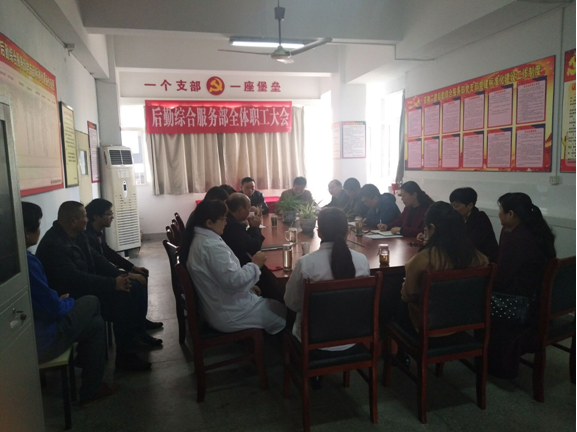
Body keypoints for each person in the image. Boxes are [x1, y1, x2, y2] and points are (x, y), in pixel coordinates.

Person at [36, 201, 152, 371]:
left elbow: (98, 260)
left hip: (84, 287)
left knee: (125, 288)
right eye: (84, 217)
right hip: (69, 296)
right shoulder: (54, 245)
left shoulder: (77, 235)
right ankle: (125, 356)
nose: (87, 220)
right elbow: (74, 279)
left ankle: (133, 338)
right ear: (73, 221)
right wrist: (112, 283)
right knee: (121, 297)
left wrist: (120, 277)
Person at [22, 202, 118, 405]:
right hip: (45, 337)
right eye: (37, 224)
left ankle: (91, 387)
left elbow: (96, 260)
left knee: (95, 325)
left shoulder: (75, 236)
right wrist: (68, 301)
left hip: (39, 327)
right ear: (26, 232)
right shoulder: (31, 261)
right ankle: (92, 382)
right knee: (92, 301)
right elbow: (55, 307)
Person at [180, 200, 286, 334]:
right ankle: (285, 343)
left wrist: (247, 287)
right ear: (209, 223)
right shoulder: (211, 246)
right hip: (230, 313)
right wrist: (255, 265)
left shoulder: (200, 238)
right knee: (284, 314)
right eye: (223, 219)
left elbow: (224, 277)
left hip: (221, 304)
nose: (226, 222)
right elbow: (235, 281)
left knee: (276, 305)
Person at [488, 193, 556, 379]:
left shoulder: (517, 239)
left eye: (500, 210)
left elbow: (502, 279)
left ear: (511, 214)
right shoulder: (539, 231)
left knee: (474, 293)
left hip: (520, 305)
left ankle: (484, 356)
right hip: (539, 300)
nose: (499, 214)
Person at [284, 207, 370, 351]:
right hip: (353, 336)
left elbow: (291, 302)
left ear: (319, 233)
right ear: (348, 232)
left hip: (313, 341)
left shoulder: (306, 263)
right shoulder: (361, 261)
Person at [400, 202, 489, 331]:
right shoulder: (478, 257)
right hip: (465, 322)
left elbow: (408, 295)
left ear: (432, 228)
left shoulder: (424, 258)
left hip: (427, 326)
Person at [85, 198, 163, 331]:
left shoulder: (97, 232)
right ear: (96, 216)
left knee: (142, 273)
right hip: (99, 278)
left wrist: (132, 267)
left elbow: (109, 253)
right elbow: (101, 265)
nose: (112, 217)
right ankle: (136, 328)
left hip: (104, 273)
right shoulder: (87, 236)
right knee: (135, 284)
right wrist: (127, 275)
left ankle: (141, 321)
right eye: (109, 214)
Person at [449, 187, 499, 263]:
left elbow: (472, 244)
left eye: (456, 206)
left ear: (470, 205)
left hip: (484, 262)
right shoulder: (457, 218)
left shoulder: (480, 219)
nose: (453, 209)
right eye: (451, 205)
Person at [221, 193, 265, 266]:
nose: (250, 210)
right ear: (241, 209)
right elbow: (254, 247)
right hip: (237, 265)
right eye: (249, 207)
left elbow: (245, 239)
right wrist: (255, 227)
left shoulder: (229, 219)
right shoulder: (233, 225)